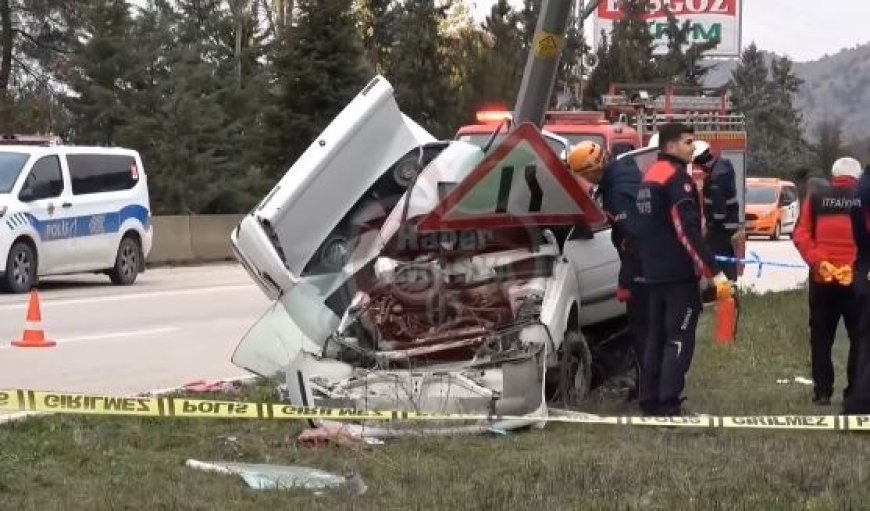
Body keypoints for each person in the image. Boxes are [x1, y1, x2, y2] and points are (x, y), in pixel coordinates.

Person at [633, 123, 733, 416]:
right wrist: (714, 273)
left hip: (652, 272)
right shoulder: (678, 180)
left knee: (656, 338)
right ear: (671, 146)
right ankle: (669, 404)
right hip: (678, 274)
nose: (693, 148)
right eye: (689, 142)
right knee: (679, 336)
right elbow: (687, 231)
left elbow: (640, 228)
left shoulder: (650, 176)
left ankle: (649, 400)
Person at [567, 140, 647, 401]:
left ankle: (645, 390)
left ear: (591, 171)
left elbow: (631, 238)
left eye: (584, 175)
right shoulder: (625, 170)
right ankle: (645, 385)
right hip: (651, 264)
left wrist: (626, 280)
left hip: (641, 269)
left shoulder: (617, 193)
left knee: (642, 331)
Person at [793, 157, 861, 406]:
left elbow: (801, 234)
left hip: (822, 278)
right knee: (860, 337)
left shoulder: (817, 198)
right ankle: (854, 391)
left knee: (821, 336)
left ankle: (822, 392)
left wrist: (820, 262)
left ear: (834, 175)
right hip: (856, 279)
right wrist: (855, 264)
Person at [692, 140, 743, 281]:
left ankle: (726, 291)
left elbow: (718, 213)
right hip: (728, 226)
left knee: (716, 261)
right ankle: (728, 287)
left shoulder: (716, 178)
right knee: (724, 258)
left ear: (699, 160)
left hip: (720, 227)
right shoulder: (723, 166)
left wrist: (709, 226)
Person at [845, 163, 870, 414]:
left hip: (863, 267)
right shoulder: (866, 190)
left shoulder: (861, 188)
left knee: (864, 339)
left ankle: (858, 402)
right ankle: (860, 404)